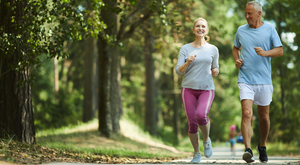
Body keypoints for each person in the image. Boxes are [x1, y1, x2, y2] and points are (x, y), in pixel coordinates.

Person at [232, 1, 283, 163]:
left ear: (259, 14)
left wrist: (265, 53)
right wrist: (237, 60)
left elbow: (280, 50)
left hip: (264, 81)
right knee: (247, 113)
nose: (246, 16)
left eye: (250, 14)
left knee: (264, 117)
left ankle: (262, 145)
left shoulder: (269, 29)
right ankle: (247, 150)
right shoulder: (241, 30)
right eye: (245, 13)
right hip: (245, 79)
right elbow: (235, 48)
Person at [175, 17, 219, 163]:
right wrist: (188, 62)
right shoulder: (185, 49)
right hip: (188, 89)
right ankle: (196, 153)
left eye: (203, 26)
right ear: (193, 30)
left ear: (206, 30)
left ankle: (206, 140)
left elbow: (215, 67)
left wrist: (216, 71)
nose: (200, 28)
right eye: (198, 26)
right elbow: (178, 71)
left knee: (201, 115)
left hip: (206, 89)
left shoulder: (213, 49)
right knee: (192, 122)